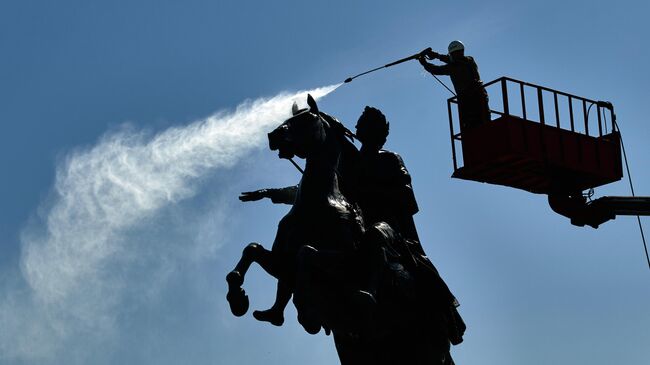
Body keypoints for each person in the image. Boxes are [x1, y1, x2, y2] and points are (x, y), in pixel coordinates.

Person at [419, 40, 490, 131]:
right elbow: (454, 60)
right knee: (484, 123)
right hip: (480, 97)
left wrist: (425, 63)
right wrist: (437, 56)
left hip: (468, 101)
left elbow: (437, 70)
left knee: (472, 127)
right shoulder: (470, 60)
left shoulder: (454, 67)